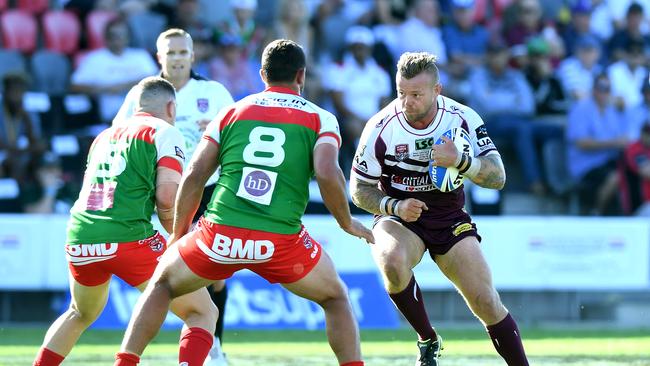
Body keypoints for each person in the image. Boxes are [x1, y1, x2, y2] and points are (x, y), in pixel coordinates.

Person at [113, 39, 374, 366]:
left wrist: (178, 235)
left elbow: (194, 174)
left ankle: (125, 363)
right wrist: (346, 222)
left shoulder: (231, 112)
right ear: (301, 76)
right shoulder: (320, 118)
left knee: (162, 283)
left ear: (262, 74)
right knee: (335, 297)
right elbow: (326, 171)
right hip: (281, 242)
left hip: (219, 234)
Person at [349, 52, 529, 366]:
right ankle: (428, 340)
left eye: (416, 95)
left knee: (486, 301)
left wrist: (461, 161)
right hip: (399, 215)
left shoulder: (462, 117)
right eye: (401, 93)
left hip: (448, 215)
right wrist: (394, 204)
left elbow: (498, 177)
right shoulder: (380, 127)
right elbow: (358, 189)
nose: (407, 102)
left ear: (437, 91)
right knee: (391, 261)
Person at [32, 77, 217, 366]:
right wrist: (180, 239)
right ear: (171, 107)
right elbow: (168, 198)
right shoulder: (165, 132)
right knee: (203, 311)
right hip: (129, 238)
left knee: (79, 313)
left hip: (81, 236)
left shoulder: (104, 136)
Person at [113, 28, 234, 365]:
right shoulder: (143, 94)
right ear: (159, 57)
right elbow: (119, 135)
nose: (178, 58)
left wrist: (219, 132)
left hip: (207, 191)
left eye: (183, 52)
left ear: (193, 56)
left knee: (217, 274)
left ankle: (214, 346)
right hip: (158, 194)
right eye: (171, 52)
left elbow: (239, 138)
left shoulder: (214, 93)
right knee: (163, 274)